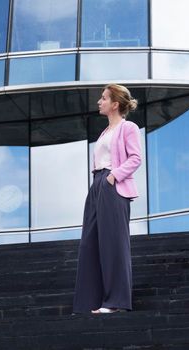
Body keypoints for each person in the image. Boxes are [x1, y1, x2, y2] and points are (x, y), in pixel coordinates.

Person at [73, 84, 142, 314]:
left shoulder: (128, 127)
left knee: (113, 243)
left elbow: (135, 158)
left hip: (113, 184)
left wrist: (113, 177)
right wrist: (101, 181)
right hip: (97, 184)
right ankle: (89, 302)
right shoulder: (104, 132)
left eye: (103, 98)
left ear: (115, 104)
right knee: (88, 242)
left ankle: (116, 303)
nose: (99, 102)